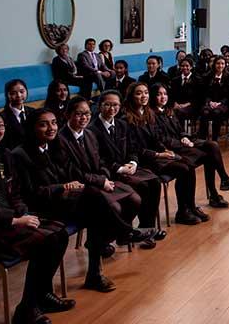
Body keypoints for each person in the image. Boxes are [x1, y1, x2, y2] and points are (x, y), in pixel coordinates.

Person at [12, 109, 119, 292]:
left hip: (62, 201)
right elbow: (30, 193)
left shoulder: (54, 146)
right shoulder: (20, 154)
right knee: (96, 203)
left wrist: (71, 185)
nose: (51, 128)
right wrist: (62, 187)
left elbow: (69, 173)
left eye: (54, 123)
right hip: (41, 208)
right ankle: (123, 232)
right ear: (32, 127)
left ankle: (95, 273)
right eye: (44, 124)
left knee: (95, 206)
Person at [0, 108, 75, 324]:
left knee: (59, 234)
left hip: (10, 220)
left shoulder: (2, 156)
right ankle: (27, 308)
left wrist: (23, 213)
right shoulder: (13, 153)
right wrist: (15, 220)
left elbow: (14, 192)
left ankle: (39, 298)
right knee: (43, 241)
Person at [57, 97, 152, 252]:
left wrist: (104, 177)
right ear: (68, 115)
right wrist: (101, 181)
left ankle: (111, 237)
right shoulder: (60, 139)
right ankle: (120, 234)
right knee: (113, 206)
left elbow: (100, 161)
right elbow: (72, 172)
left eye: (87, 113)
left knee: (135, 199)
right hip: (78, 188)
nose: (84, 118)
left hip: (99, 180)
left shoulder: (89, 134)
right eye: (79, 114)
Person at [121, 83, 203, 226]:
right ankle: (182, 212)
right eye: (139, 93)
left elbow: (156, 138)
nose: (143, 96)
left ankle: (188, 208)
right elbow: (133, 148)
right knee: (183, 169)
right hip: (143, 160)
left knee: (189, 164)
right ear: (131, 97)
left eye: (145, 92)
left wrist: (164, 149)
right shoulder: (125, 119)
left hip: (156, 155)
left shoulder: (148, 113)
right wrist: (158, 155)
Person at [89, 91, 164, 241]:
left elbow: (132, 148)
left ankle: (146, 228)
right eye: (108, 104)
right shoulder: (92, 129)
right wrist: (119, 168)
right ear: (100, 106)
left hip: (128, 168)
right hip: (111, 172)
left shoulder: (122, 124)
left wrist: (133, 162)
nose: (112, 108)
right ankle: (125, 233)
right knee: (142, 186)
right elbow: (98, 159)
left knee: (155, 182)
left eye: (115, 105)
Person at [149, 84, 229, 204]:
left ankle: (224, 179)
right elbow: (161, 139)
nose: (163, 97)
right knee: (208, 155)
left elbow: (180, 129)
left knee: (212, 145)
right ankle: (213, 194)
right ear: (153, 96)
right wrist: (182, 142)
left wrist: (184, 137)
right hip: (172, 148)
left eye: (165, 94)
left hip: (182, 141)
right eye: (159, 94)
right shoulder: (152, 115)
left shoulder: (169, 110)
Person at [199, 55, 229, 141]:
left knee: (216, 112)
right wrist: (210, 102)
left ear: (225, 65)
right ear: (214, 64)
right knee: (205, 112)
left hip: (223, 104)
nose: (220, 66)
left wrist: (220, 103)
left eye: (222, 63)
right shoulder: (207, 76)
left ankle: (215, 139)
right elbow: (204, 93)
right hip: (209, 103)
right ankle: (202, 139)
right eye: (218, 63)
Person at [1, 79, 30, 150]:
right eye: (13, 93)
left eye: (22, 91)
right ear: (7, 95)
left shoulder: (33, 111)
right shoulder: (2, 117)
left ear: (26, 91)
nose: (19, 95)